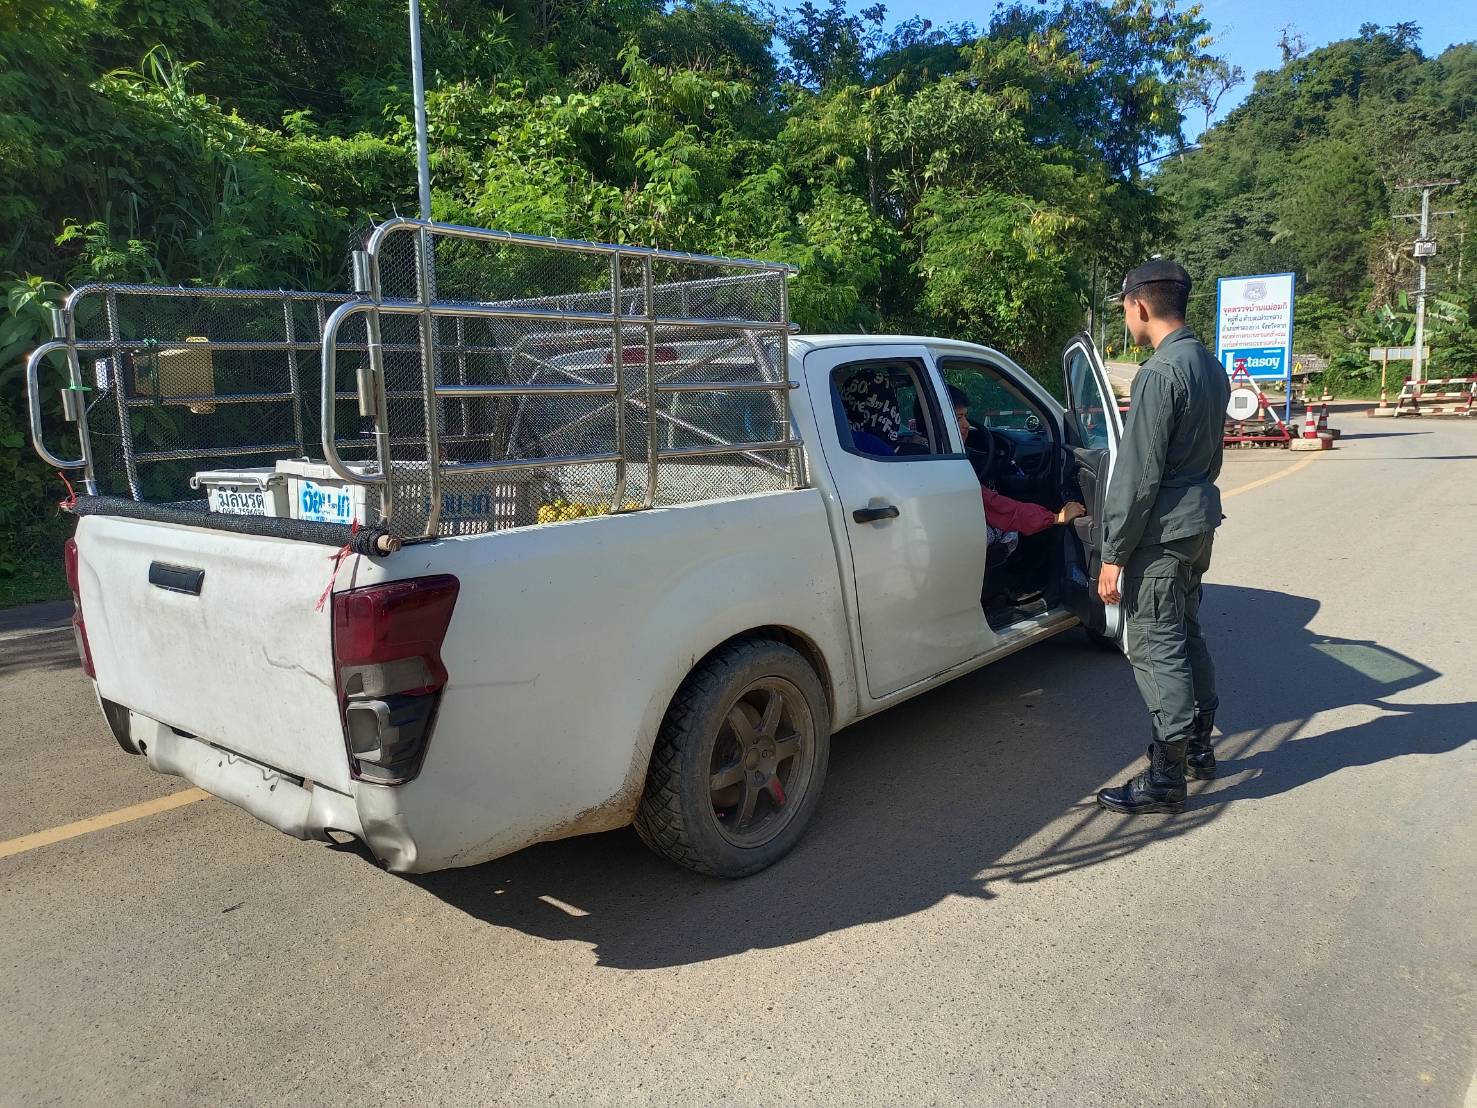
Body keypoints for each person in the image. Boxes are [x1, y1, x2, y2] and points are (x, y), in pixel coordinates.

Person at [1096, 259, 1231, 815]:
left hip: (1161, 534)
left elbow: (1136, 477)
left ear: (1139, 306)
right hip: (1196, 525)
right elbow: (1212, 458)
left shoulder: (1158, 373)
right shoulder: (1209, 367)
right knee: (1188, 632)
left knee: (1157, 644)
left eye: (1125, 309)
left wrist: (1113, 554)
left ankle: (1166, 777)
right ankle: (1199, 747)